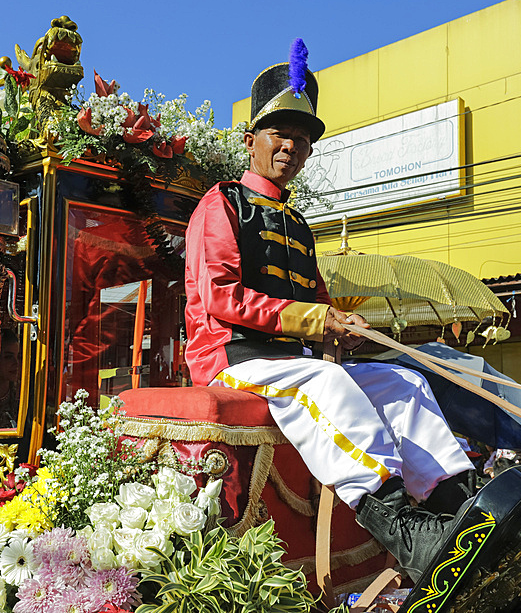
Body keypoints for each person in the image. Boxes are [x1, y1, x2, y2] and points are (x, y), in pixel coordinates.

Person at [183, 43, 474, 581]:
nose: (291, 146)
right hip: (231, 360)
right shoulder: (219, 203)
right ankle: (404, 532)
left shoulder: (297, 223)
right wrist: (320, 323)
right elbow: (223, 297)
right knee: (328, 385)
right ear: (251, 141)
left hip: (291, 362)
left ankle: (459, 511)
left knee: (401, 383)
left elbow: (317, 307)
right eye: (280, 134)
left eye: (302, 138)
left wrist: (347, 330)